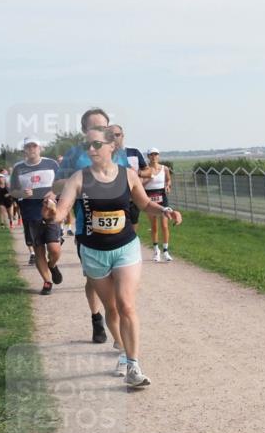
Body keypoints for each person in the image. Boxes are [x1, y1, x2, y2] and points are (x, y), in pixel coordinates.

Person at [43, 126, 182, 387]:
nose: (92, 149)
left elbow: (144, 204)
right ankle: (120, 347)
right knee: (112, 309)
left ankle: (133, 365)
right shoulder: (78, 178)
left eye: (98, 145)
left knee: (126, 304)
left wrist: (165, 210)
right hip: (94, 252)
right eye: (89, 146)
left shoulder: (128, 175)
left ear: (111, 147)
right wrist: (51, 214)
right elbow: (61, 213)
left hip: (125, 247)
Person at [53, 108, 129, 343]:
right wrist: (85, 180)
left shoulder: (118, 152)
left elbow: (128, 180)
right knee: (94, 280)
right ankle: (97, 317)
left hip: (119, 225)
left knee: (120, 281)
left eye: (104, 127)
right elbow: (57, 185)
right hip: (87, 227)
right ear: (84, 130)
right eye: (93, 127)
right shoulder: (75, 154)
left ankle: (116, 324)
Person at [11, 137, 63, 294]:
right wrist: (22, 193)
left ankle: (52, 265)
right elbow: (13, 191)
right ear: (24, 150)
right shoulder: (18, 168)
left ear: (40, 148)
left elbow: (62, 183)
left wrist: (53, 193)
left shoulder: (52, 164)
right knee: (39, 249)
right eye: (28, 146)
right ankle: (47, 282)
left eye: (35, 146)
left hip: (50, 212)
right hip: (30, 214)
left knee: (54, 249)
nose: (32, 149)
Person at [108, 124, 149, 226]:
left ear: (122, 135)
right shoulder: (104, 153)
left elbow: (148, 171)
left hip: (132, 198)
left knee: (133, 227)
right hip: (113, 199)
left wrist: (137, 174)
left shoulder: (134, 152)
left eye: (117, 135)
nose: (114, 138)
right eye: (111, 135)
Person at [141, 148, 173, 262]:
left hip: (162, 196)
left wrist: (168, 186)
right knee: (154, 226)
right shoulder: (145, 169)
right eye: (151, 155)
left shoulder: (164, 168)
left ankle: (166, 251)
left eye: (156, 154)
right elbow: (140, 184)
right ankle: (156, 251)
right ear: (148, 156)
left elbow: (168, 180)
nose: (154, 156)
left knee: (164, 225)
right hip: (150, 197)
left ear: (159, 156)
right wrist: (149, 178)